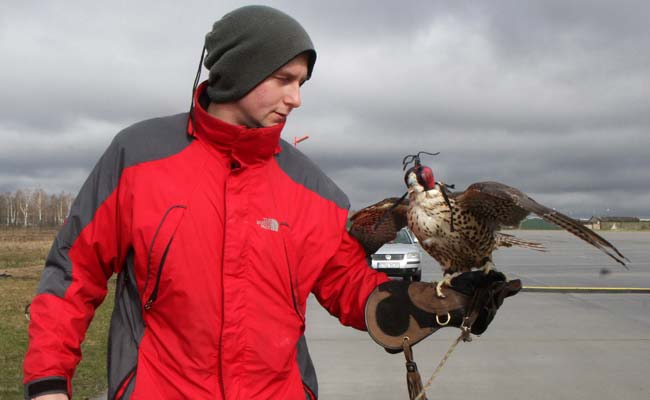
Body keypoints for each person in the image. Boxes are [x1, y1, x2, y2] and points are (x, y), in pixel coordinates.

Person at [23, 5, 516, 400]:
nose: (297, 98)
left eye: (301, 82)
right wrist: (48, 382)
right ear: (237, 72)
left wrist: (441, 304)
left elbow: (348, 285)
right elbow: (73, 272)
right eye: (284, 79)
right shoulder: (137, 156)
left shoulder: (314, 190)